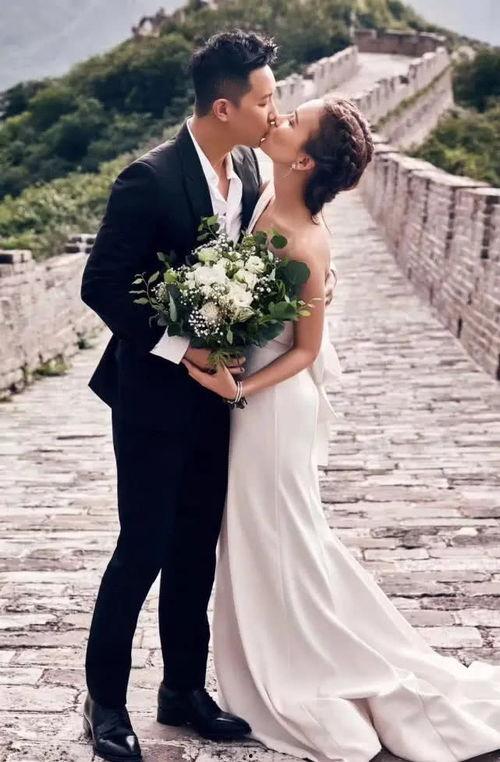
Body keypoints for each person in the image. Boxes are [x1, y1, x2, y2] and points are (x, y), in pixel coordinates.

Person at [182, 97, 500, 762]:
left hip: (274, 411)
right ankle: (292, 651)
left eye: (292, 121)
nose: (277, 119)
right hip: (259, 405)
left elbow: (303, 351)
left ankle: (317, 669)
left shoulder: (300, 237)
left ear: (304, 160)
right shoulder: (267, 192)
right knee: (278, 540)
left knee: (280, 540)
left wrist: (237, 387)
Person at [80, 29, 337, 762]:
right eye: (265, 101)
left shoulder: (252, 169)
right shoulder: (149, 179)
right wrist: (182, 347)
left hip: (221, 397)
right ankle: (105, 703)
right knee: (143, 546)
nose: (274, 112)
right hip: (152, 396)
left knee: (196, 544)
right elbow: (101, 285)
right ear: (224, 108)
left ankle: (183, 692)